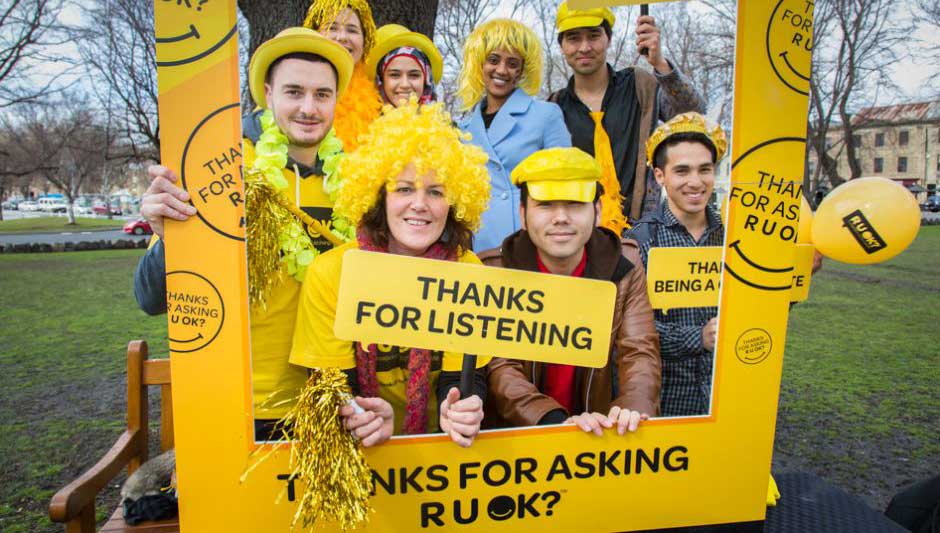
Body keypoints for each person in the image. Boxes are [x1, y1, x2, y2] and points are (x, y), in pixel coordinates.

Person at [134, 28, 354, 439]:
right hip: (239, 406)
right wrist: (167, 236)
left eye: (322, 94)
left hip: (336, 403)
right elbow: (150, 299)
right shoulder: (221, 170)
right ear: (267, 94)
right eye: (294, 92)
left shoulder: (356, 180)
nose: (309, 107)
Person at [289, 100, 491, 448]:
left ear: (455, 202)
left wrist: (458, 408)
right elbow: (328, 383)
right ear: (378, 197)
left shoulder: (469, 271)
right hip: (356, 457)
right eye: (404, 189)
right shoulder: (332, 273)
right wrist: (360, 414)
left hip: (440, 454)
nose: (420, 205)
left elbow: (466, 376)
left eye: (436, 191)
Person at [480, 147, 661, 435]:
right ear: (523, 214)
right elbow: (501, 366)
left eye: (575, 204)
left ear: (598, 211)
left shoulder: (625, 266)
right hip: (518, 437)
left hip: (599, 434)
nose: (561, 217)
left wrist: (633, 406)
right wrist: (555, 423)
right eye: (546, 205)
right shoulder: (494, 271)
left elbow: (639, 351)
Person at [550, 2, 705, 226]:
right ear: (562, 46)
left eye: (593, 36)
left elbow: (693, 114)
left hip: (641, 230)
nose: (584, 47)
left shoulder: (639, 85)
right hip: (579, 234)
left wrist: (659, 63)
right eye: (573, 38)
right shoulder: (554, 107)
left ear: (608, 39)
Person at [626, 112, 727, 417]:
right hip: (666, 404)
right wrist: (698, 337)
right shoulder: (639, 241)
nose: (695, 182)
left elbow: (760, 307)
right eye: (682, 171)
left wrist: (790, 283)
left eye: (704, 170)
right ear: (660, 176)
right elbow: (629, 334)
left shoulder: (735, 238)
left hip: (726, 400)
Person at [456, 18, 572, 253]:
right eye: (493, 60)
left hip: (527, 241)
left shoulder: (546, 115)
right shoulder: (463, 128)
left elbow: (563, 184)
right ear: (480, 64)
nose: (501, 70)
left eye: (512, 63)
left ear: (521, 70)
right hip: (475, 243)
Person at [304, 0, 382, 151]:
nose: (341, 37)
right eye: (332, 28)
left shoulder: (380, 100)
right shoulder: (291, 84)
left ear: (364, 41)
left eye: (352, 30)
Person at [365, 24, 442, 107]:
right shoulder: (362, 119)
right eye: (394, 75)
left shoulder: (440, 119)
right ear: (381, 79)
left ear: (426, 80)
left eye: (414, 75)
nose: (404, 84)